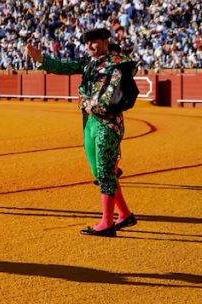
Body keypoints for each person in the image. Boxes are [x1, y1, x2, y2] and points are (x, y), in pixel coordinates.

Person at [26, 28, 137, 236]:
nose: (89, 46)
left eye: (94, 41)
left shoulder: (118, 63)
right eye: (87, 43)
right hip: (90, 122)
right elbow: (65, 67)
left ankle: (107, 223)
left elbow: (118, 89)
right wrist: (40, 59)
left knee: (105, 172)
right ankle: (125, 214)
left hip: (108, 122)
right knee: (99, 172)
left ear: (105, 41)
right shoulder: (88, 62)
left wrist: (94, 105)